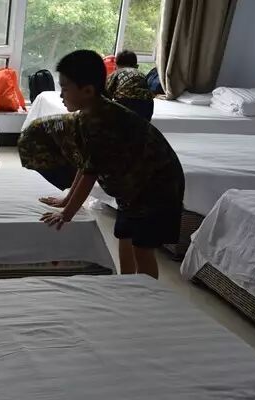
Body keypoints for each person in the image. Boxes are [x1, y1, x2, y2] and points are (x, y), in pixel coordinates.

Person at [18, 50, 185, 279]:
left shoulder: (102, 122)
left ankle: (145, 292)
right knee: (124, 235)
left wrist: (66, 214)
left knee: (142, 248)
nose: (61, 95)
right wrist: (66, 199)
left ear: (87, 91)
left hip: (157, 188)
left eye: (65, 88)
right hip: (133, 187)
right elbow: (86, 162)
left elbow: (90, 174)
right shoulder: (89, 115)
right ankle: (125, 282)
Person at [105, 49, 154, 121]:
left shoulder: (117, 73)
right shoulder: (142, 74)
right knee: (142, 124)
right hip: (147, 105)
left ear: (116, 65)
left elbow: (106, 93)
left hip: (125, 102)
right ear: (136, 66)